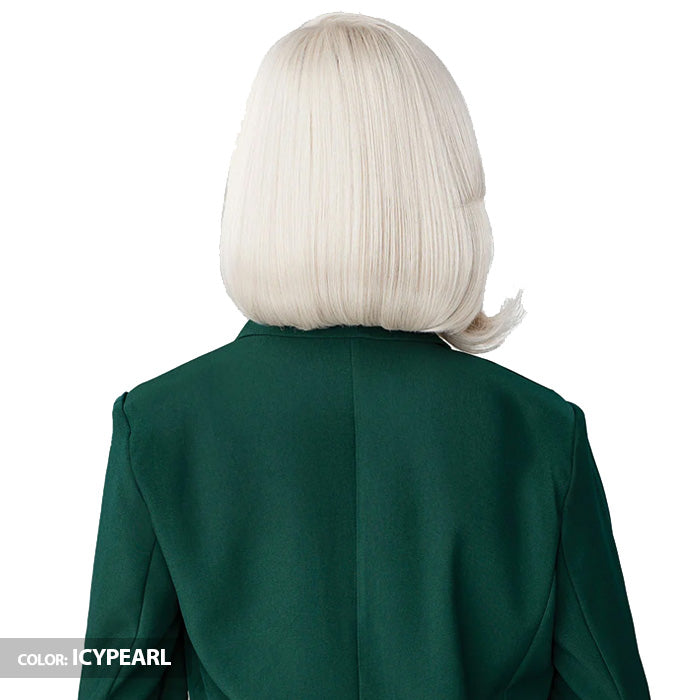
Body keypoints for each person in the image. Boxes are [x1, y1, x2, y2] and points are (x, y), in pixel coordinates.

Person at [78, 11, 650, 699]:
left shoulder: (159, 427)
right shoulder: (539, 433)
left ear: (260, 182)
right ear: (444, 186)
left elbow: (118, 678)